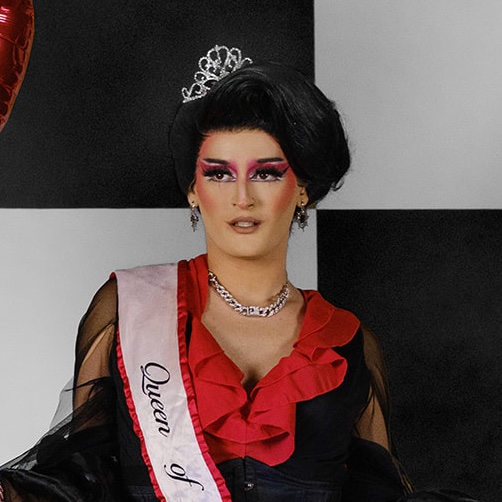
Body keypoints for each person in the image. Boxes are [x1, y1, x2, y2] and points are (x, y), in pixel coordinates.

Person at [0, 46, 483, 502]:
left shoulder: (347, 345)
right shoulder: (129, 309)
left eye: (267, 173)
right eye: (219, 173)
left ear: (303, 189)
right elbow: (81, 486)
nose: (242, 197)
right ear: (193, 190)